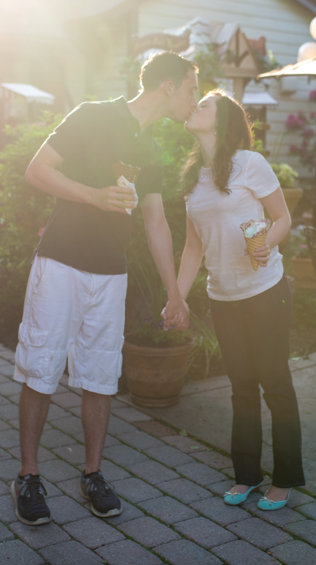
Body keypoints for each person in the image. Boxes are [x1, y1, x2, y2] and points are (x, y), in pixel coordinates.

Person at [11, 52, 196, 525]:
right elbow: (37, 170)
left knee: (99, 374)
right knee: (41, 366)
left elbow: (155, 221)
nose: (195, 97)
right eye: (193, 87)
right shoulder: (92, 114)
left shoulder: (152, 147)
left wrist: (175, 293)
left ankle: (92, 475)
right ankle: (28, 476)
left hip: (111, 273)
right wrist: (93, 195)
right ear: (169, 86)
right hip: (60, 263)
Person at [174, 90, 304, 511]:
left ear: (224, 119)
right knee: (242, 388)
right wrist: (176, 297)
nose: (196, 105)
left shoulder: (250, 163)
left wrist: (264, 242)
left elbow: (282, 217)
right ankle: (247, 475)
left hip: (265, 291)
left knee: (275, 384)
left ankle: (285, 477)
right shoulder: (193, 177)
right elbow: (193, 248)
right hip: (222, 296)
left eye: (206, 103)